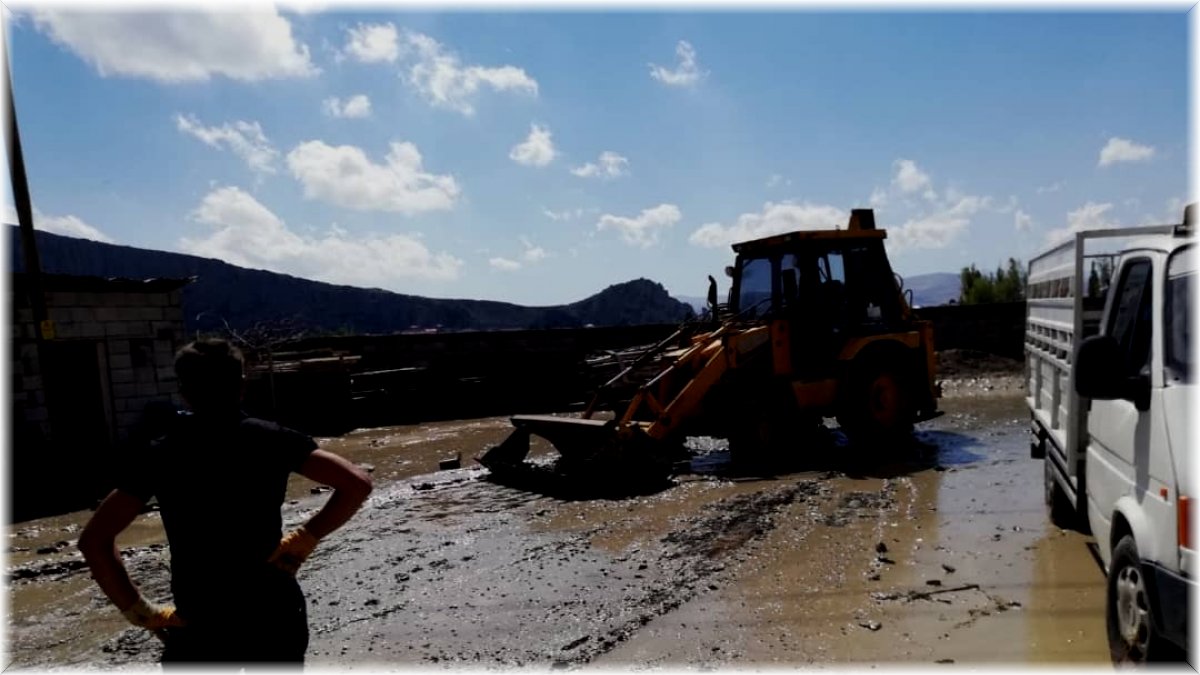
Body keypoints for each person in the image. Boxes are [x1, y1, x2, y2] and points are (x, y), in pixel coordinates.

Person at [78, 339, 373, 667]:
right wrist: (306, 538)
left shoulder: (162, 454)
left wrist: (139, 609)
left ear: (184, 391)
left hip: (202, 619)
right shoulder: (272, 439)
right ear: (242, 386)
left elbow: (94, 541)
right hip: (272, 610)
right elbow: (356, 484)